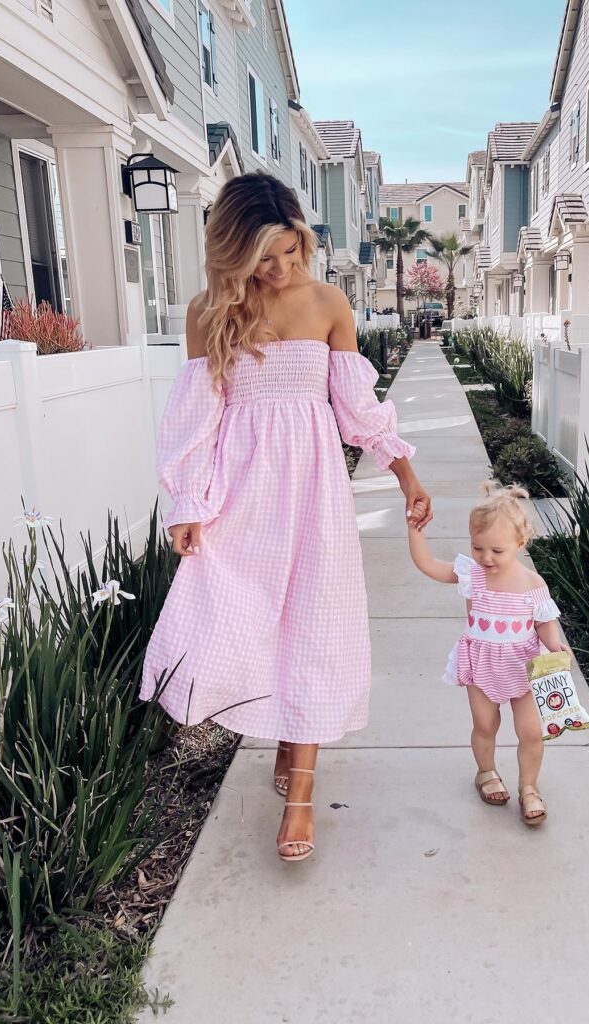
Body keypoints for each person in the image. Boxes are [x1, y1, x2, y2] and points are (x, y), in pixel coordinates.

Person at [141, 173, 432, 862]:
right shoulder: (209, 312)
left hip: (312, 496)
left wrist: (406, 475)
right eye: (262, 258)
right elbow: (194, 422)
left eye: (288, 250)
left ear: (302, 236)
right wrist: (187, 504)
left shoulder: (327, 303)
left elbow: (358, 412)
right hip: (238, 498)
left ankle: (301, 792)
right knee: (237, 622)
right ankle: (279, 730)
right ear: (233, 253)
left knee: (312, 625)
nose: (278, 269)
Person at [407, 484, 565, 825]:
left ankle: (529, 787)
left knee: (531, 731)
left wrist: (554, 645)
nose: (486, 557)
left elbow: (545, 623)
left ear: (521, 545)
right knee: (485, 723)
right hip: (481, 665)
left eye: (497, 550)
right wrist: (415, 532)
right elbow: (429, 565)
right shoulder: (472, 575)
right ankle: (486, 771)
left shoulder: (532, 584)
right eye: (477, 547)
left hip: (522, 668)